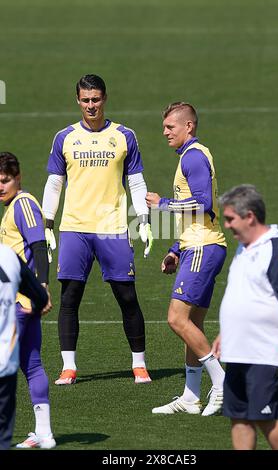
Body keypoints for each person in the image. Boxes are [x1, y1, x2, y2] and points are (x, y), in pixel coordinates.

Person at [42, 74, 153, 385]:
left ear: (105, 99)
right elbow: (54, 183)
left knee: (126, 296)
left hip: (113, 227)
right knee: (70, 296)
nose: (91, 105)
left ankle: (139, 364)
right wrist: (48, 223)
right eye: (85, 100)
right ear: (78, 100)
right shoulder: (64, 137)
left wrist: (143, 219)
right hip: (75, 227)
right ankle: (69, 367)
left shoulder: (124, 136)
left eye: (96, 99)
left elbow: (136, 181)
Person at [146, 102, 227, 416]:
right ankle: (191, 396)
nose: (165, 132)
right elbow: (194, 215)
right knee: (193, 323)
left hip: (203, 248)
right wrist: (175, 250)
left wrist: (163, 204)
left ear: (188, 126)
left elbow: (204, 203)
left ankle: (220, 382)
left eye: (170, 127)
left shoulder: (193, 156)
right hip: (200, 246)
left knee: (176, 319)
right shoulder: (190, 157)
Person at [212, 184, 278, 450]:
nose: (227, 225)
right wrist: (225, 333)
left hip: (266, 350)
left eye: (230, 219)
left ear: (249, 216)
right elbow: (243, 296)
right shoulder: (244, 248)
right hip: (238, 349)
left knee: (265, 418)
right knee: (238, 417)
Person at [0, 152, 56, 449]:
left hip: (19, 303)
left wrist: (42, 287)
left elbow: (38, 243)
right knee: (31, 364)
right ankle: (44, 433)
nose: (1, 186)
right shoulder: (12, 208)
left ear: (18, 177)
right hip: (23, 301)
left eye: (5, 180)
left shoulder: (22, 204)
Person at [0, 244, 49, 450]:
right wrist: (36, 309)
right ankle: (45, 432)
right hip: (5, 362)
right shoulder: (7, 256)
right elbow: (40, 296)